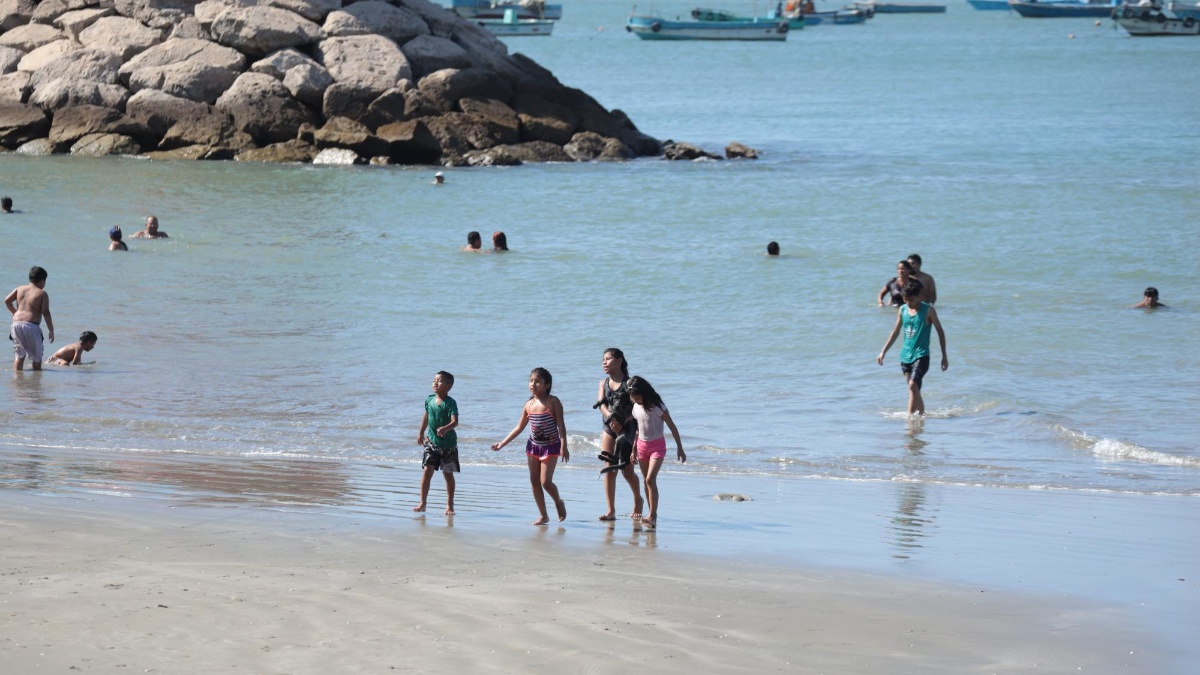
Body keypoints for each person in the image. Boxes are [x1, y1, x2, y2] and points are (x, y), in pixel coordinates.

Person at [491, 368, 570, 525]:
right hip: (533, 447)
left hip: (550, 447)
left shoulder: (553, 402)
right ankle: (543, 515)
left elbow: (561, 425)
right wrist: (502, 443)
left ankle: (558, 501)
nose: (533, 384)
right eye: (531, 381)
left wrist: (564, 446)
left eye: (538, 381)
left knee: (545, 482)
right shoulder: (529, 404)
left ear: (547, 385)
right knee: (534, 480)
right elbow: (519, 427)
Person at [878, 279, 948, 417]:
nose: (909, 303)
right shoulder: (903, 309)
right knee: (914, 389)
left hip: (921, 355)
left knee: (912, 386)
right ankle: (921, 416)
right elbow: (895, 332)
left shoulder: (928, 310)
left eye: (912, 299)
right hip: (905, 356)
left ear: (919, 296)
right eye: (906, 299)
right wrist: (883, 351)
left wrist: (944, 356)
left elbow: (940, 331)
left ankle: (909, 419)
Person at [626, 376, 686, 530]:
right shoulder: (636, 407)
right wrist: (633, 449)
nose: (636, 400)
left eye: (638, 397)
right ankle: (650, 514)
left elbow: (672, 426)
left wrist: (680, 447)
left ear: (644, 393)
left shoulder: (657, 407)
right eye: (633, 398)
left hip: (657, 447)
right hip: (641, 446)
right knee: (646, 481)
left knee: (650, 479)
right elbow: (638, 429)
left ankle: (652, 516)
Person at [594, 348, 643, 522]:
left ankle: (638, 499)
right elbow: (601, 405)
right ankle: (611, 510)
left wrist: (623, 421)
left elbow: (637, 407)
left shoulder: (629, 383)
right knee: (609, 469)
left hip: (627, 429)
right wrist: (611, 417)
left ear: (619, 361)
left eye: (608, 359)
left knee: (627, 471)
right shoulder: (603, 383)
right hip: (609, 428)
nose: (604, 362)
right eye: (603, 359)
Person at [415, 371, 460, 515]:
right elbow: (426, 416)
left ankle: (450, 505)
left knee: (448, 474)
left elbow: (455, 422)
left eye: (439, 381)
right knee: (427, 470)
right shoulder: (429, 400)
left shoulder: (450, 403)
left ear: (449, 385)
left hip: (448, 445)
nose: (435, 383)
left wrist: (446, 428)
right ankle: (422, 502)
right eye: (434, 380)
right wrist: (421, 432)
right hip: (432, 442)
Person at [6, 266, 54, 372]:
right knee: (37, 356)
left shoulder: (19, 289)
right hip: (31, 326)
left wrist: (14, 312)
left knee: (19, 354)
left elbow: (7, 301)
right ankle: (36, 379)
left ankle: (17, 378)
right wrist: (51, 330)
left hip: (16, 325)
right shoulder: (42, 293)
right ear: (42, 281)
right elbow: (46, 312)